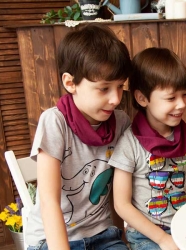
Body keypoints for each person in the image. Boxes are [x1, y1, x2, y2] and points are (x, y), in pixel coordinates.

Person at [26, 24, 132, 250]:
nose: (115, 99)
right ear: (70, 83)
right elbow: (48, 201)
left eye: (120, 86)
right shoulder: (55, 122)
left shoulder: (121, 122)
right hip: (53, 239)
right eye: (104, 89)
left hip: (103, 235)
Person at [109, 47, 186, 250]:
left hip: (184, 226)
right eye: (171, 98)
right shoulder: (129, 144)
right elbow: (121, 204)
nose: (182, 104)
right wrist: (164, 240)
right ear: (142, 98)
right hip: (146, 235)